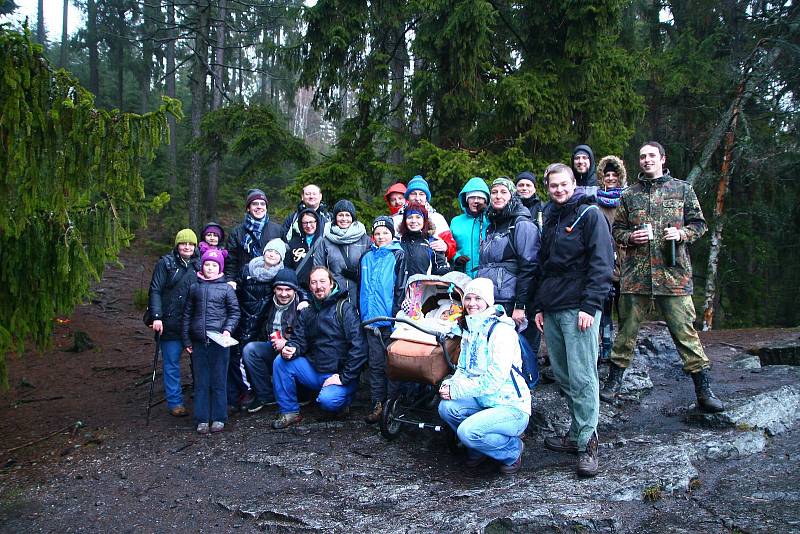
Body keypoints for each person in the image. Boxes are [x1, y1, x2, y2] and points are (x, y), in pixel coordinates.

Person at [601, 142, 725, 413]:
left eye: (651, 156)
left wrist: (681, 234)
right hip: (636, 278)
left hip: (674, 277)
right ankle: (613, 384)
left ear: (662, 159)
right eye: (642, 156)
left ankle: (704, 391)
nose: (646, 160)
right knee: (625, 334)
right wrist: (630, 236)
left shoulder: (682, 189)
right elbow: (617, 230)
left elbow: (700, 225)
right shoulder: (629, 195)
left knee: (686, 334)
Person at [533, 163, 614, 478]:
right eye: (553, 186)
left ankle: (589, 443)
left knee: (582, 377)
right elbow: (545, 265)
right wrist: (539, 305)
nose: (559, 190)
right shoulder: (551, 217)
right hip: (552, 308)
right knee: (564, 376)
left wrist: (590, 305)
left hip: (578, 308)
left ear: (573, 183)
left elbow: (602, 262)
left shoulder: (590, 214)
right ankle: (577, 433)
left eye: (564, 184)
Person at [438, 278, 530, 475]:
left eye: (478, 298)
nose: (472, 304)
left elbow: (495, 378)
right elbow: (463, 368)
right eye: (468, 298)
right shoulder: (470, 329)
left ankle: (512, 451)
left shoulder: (501, 331)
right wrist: (450, 385)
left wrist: (458, 390)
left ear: (488, 301)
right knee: (446, 408)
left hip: (510, 406)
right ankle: (478, 450)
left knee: (467, 432)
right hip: (484, 400)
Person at [271, 267, 368, 429]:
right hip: (315, 371)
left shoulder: (344, 309)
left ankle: (345, 401)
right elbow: (298, 340)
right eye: (314, 282)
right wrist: (292, 348)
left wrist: (343, 377)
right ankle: (289, 412)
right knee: (280, 361)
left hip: (340, 375)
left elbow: (359, 348)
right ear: (309, 286)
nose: (318, 286)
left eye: (323, 281)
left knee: (328, 402)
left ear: (331, 284)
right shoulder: (308, 311)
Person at [476, 177, 540, 384]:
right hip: (493, 300)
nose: (498, 196)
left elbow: (529, 267)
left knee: (514, 351)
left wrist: (521, 306)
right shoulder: (493, 225)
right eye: (494, 192)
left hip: (512, 301)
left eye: (503, 192)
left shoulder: (521, 224)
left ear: (512, 195)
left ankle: (522, 393)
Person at [182, 249, 241, 434]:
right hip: (199, 341)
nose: (210, 268)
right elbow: (187, 315)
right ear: (202, 266)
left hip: (219, 342)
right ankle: (201, 418)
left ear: (220, 268)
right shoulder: (195, 288)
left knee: (219, 380)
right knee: (201, 381)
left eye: (214, 265)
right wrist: (186, 339)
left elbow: (234, 312)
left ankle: (218, 417)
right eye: (207, 264)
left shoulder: (226, 289)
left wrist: (227, 330)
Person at [148, 229, 201, 417]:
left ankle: (201, 397)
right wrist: (156, 316)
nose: (187, 247)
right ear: (177, 245)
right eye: (183, 243)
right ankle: (175, 402)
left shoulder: (200, 264)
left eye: (190, 244)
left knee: (199, 361)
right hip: (170, 322)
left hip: (193, 322)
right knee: (171, 363)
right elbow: (155, 289)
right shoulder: (166, 264)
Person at [359, 216, 407, 423]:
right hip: (370, 320)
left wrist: (395, 315)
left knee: (392, 364)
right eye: (377, 233)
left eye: (385, 233)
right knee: (376, 364)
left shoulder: (398, 255)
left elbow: (401, 287)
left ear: (392, 234)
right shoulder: (366, 257)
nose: (381, 236)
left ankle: (392, 404)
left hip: (389, 320)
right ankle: (377, 403)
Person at [241, 269, 304, 413]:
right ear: (274, 289)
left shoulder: (302, 307)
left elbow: (307, 339)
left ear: (295, 290)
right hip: (272, 346)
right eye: (279, 289)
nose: (283, 294)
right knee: (250, 350)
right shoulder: (267, 303)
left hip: (295, 351)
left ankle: (300, 394)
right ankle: (265, 395)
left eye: (288, 290)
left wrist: (288, 343)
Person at [595, 156, 628, 362]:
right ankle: (605, 347)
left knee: (625, 310)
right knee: (604, 311)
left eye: (614, 175)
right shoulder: (596, 203)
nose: (610, 178)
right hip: (603, 262)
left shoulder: (628, 199)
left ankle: (624, 350)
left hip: (626, 261)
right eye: (606, 175)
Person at [312, 199, 371, 306]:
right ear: (335, 217)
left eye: (347, 215)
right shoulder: (325, 241)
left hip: (360, 296)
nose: (344, 219)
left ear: (352, 217)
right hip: (334, 297)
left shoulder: (365, 240)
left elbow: (372, 269)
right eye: (340, 215)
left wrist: (358, 275)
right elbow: (318, 269)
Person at [225, 188, 283, 289]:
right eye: (255, 204)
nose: (259, 207)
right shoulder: (237, 232)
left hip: (271, 284)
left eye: (262, 204)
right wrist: (230, 280)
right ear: (248, 208)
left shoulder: (277, 230)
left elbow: (284, 258)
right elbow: (231, 260)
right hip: (244, 284)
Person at [392, 175, 457, 259]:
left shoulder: (437, 218)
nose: (417, 198)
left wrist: (446, 247)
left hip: (431, 269)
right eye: (413, 194)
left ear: (426, 197)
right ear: (408, 196)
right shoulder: (396, 219)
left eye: (421, 194)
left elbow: (452, 248)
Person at [450, 177, 489, 278]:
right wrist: (456, 258)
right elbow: (449, 245)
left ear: (485, 200)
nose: (476, 201)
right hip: (461, 275)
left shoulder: (491, 221)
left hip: (486, 275)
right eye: (472, 197)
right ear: (466, 199)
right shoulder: (456, 222)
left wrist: (488, 213)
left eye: (480, 198)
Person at [399, 201, 451, 277]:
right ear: (405, 221)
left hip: (424, 287)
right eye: (410, 217)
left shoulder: (433, 242)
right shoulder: (397, 242)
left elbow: (441, 268)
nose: (414, 221)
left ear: (424, 221)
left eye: (418, 217)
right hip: (399, 288)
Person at [285, 208, 326, 289]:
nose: (308, 225)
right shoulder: (293, 243)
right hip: (298, 288)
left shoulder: (324, 243)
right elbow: (287, 267)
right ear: (300, 224)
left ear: (317, 223)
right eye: (305, 223)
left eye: (311, 222)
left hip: (319, 289)